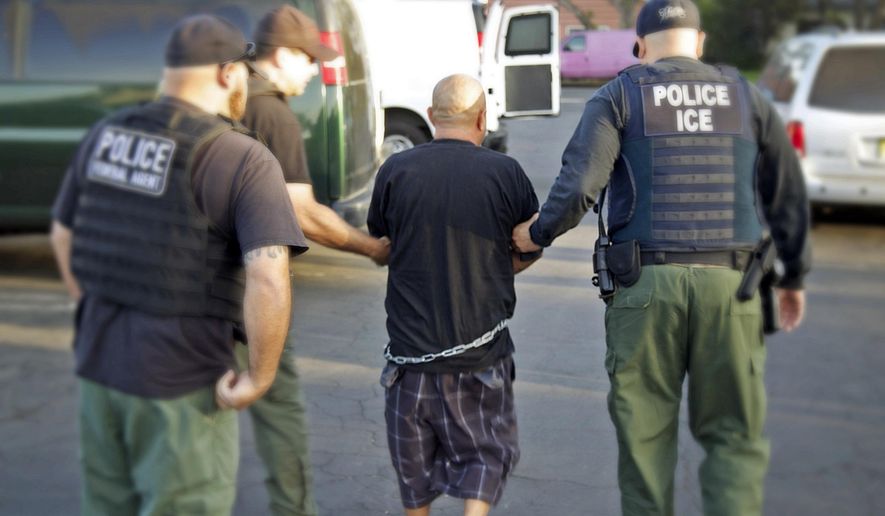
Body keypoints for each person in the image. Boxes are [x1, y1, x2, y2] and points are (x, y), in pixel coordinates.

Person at [511, 1, 811, 514]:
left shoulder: (620, 95)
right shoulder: (746, 97)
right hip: (732, 285)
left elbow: (581, 184)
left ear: (640, 44)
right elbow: (785, 192)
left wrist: (536, 235)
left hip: (644, 286)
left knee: (646, 439)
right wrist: (793, 276)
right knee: (734, 438)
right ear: (700, 42)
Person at [48, 15, 307, 515]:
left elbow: (64, 234)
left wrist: (93, 305)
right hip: (181, 386)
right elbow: (269, 279)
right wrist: (258, 378)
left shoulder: (107, 132)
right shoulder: (243, 159)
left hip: (100, 373)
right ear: (226, 73)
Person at [234, 6, 390, 515]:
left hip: (183, 292)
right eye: (310, 60)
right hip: (242, 294)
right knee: (281, 411)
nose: (316, 71)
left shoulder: (224, 95)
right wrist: (372, 248)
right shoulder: (271, 113)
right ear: (282, 55)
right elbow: (302, 210)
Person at [368, 74, 541, 516]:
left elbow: (384, 240)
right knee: (484, 457)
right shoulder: (506, 173)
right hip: (481, 360)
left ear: (430, 117)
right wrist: (506, 269)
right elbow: (530, 242)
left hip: (409, 363)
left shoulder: (395, 171)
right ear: (482, 119)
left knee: (414, 477)